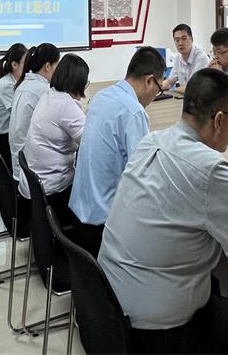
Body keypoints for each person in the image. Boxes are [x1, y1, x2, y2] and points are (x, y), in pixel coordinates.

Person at [100, 69, 228, 354]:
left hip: (107, 309)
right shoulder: (211, 169)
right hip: (159, 333)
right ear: (219, 120)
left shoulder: (151, 141)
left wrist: (222, 189)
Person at [68, 46, 166, 255]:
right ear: (149, 81)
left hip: (78, 213)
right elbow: (144, 177)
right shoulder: (133, 112)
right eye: (158, 89)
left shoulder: (102, 95)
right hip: (102, 226)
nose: (155, 96)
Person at [22, 54, 89, 223]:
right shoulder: (66, 105)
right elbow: (90, 144)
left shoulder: (49, 94)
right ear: (78, 83)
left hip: (34, 188)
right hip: (51, 194)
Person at [9, 43, 61, 192]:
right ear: (48, 66)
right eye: (57, 65)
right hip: (31, 172)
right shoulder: (43, 91)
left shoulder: (23, 85)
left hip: (19, 163)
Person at [0, 42, 27, 167]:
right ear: (14, 65)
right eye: (25, 64)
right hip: (2, 142)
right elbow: (19, 116)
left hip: (1, 137)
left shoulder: (10, 80)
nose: (28, 69)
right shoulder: (8, 85)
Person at [161, 23, 209, 93]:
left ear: (191, 39)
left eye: (184, 39)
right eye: (177, 40)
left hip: (201, 97)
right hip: (186, 97)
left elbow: (192, 87)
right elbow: (169, 82)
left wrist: (174, 90)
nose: (180, 43)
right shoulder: (179, 57)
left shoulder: (201, 58)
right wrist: (156, 87)